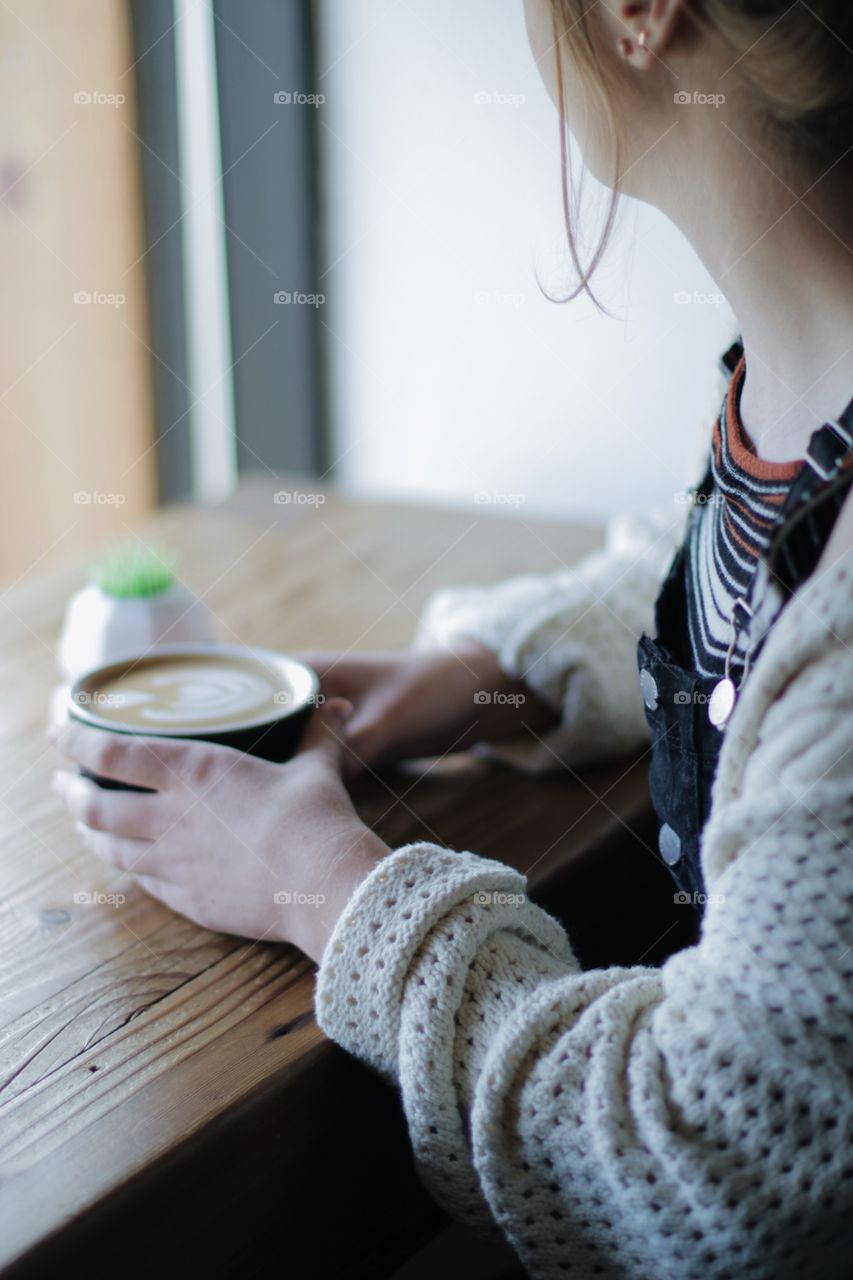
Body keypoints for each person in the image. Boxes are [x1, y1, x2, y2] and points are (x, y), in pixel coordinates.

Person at [51, 1, 853, 1275]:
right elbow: (734, 570)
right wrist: (495, 680)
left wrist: (325, 884)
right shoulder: (804, 383)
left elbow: (717, 1158)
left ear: (641, 13)